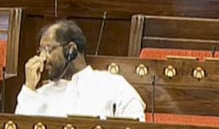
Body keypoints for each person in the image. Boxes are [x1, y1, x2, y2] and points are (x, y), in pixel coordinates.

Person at [16, 20, 145, 120]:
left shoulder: (112, 84)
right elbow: (21, 124)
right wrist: (29, 88)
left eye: (48, 50)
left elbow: (136, 121)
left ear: (71, 50)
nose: (42, 58)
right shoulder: (39, 95)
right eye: (41, 51)